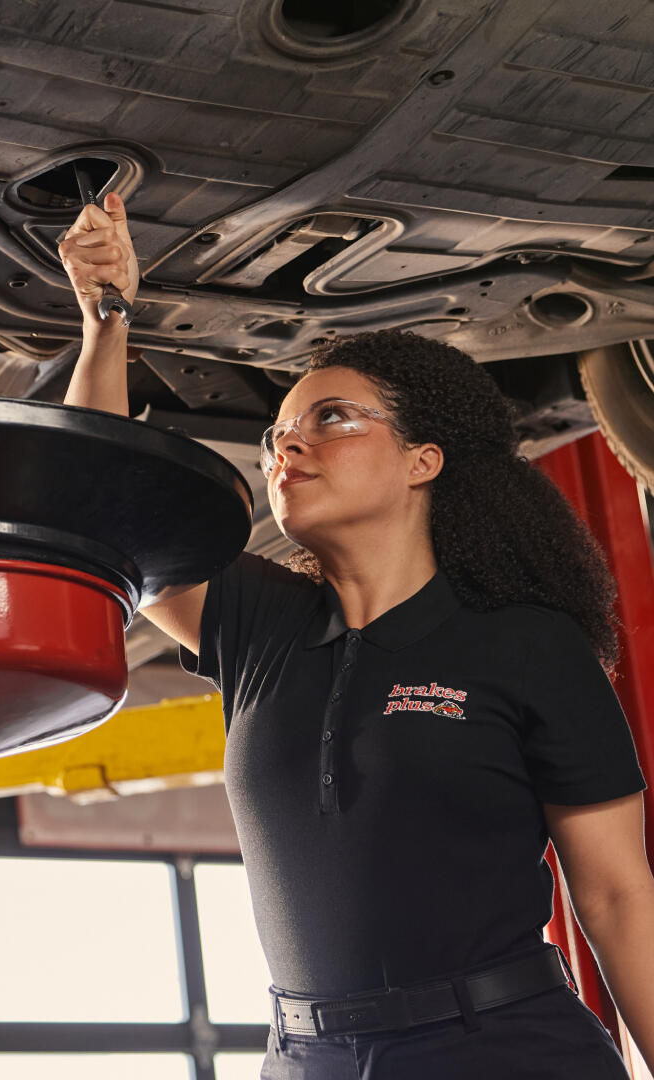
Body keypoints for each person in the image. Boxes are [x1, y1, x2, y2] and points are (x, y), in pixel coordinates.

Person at [58, 192, 654, 1079]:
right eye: (278, 434)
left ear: (423, 460)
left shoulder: (529, 646)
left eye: (331, 418)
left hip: (501, 1049)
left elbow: (614, 897)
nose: (286, 448)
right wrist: (105, 319)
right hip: (306, 1056)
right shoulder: (261, 625)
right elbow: (102, 508)